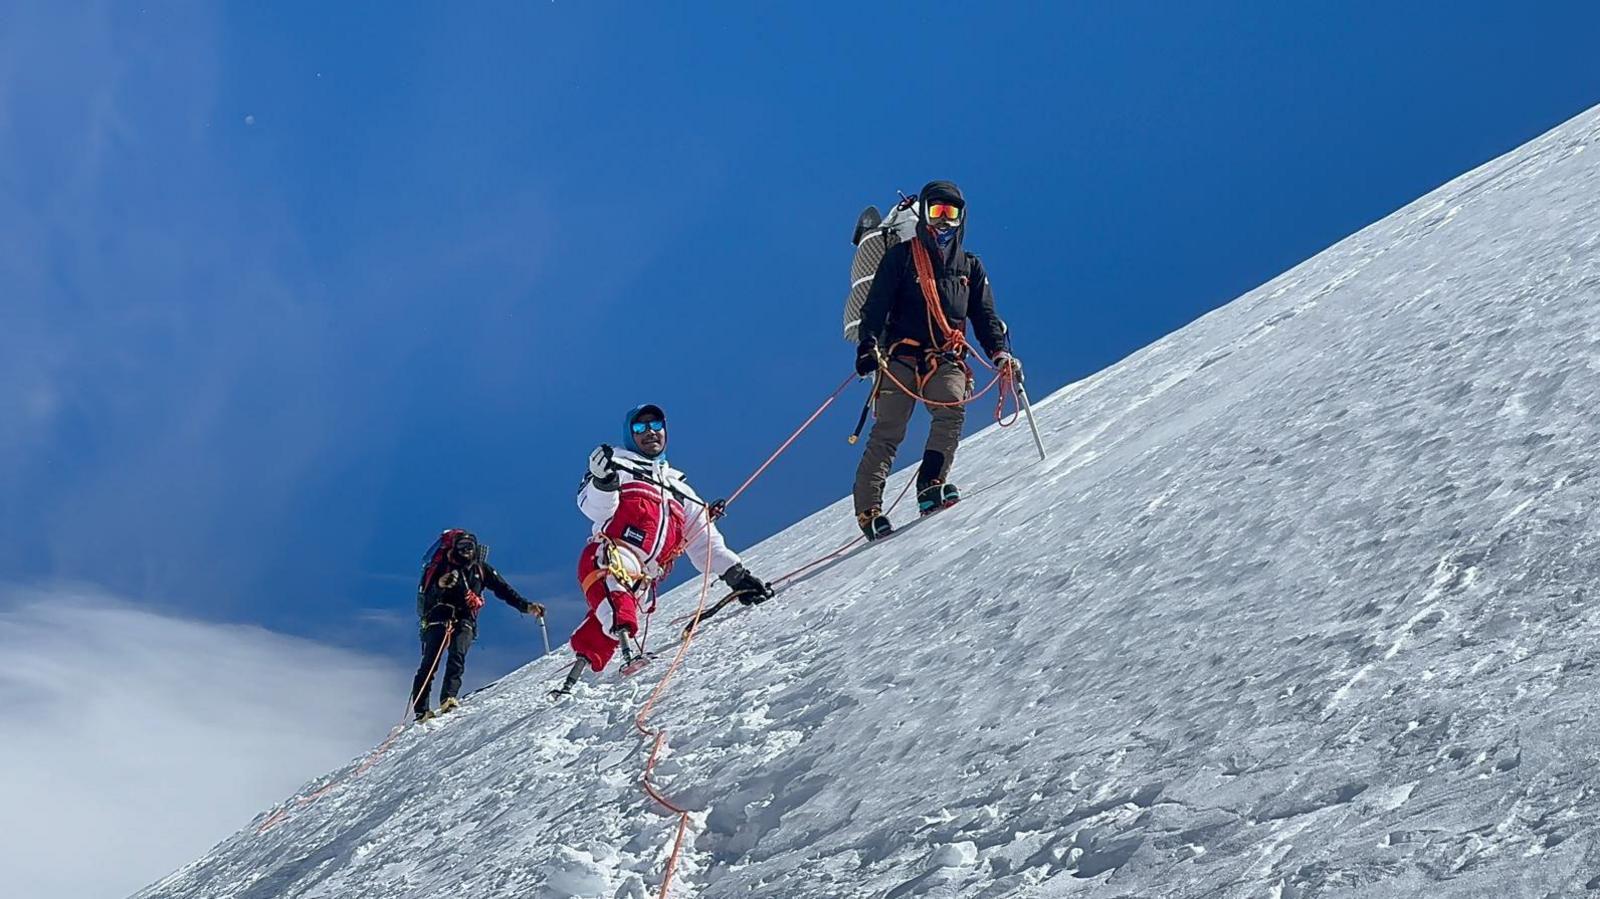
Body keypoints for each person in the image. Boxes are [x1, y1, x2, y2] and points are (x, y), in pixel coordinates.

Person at [555, 403, 773, 693]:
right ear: (629, 434)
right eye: (640, 428)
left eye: (656, 426)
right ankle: (628, 656)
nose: (650, 433)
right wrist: (604, 481)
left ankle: (580, 668)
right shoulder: (618, 466)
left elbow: (703, 538)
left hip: (646, 574)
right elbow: (592, 507)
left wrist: (735, 575)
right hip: (614, 553)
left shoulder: (680, 488)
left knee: (619, 613)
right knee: (616, 596)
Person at [851, 179, 1023, 539]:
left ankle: (931, 482)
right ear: (924, 214)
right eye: (936, 212)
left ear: (962, 218)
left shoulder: (969, 268)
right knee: (888, 430)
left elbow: (985, 316)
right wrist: (868, 343)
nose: (943, 222)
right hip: (901, 353)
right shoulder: (900, 258)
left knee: (951, 406)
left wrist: (1000, 352)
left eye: (951, 214)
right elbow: (876, 304)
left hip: (945, 355)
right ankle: (869, 509)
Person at [412, 529, 544, 721]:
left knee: (458, 654)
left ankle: (448, 697)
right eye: (462, 547)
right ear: (454, 548)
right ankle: (421, 710)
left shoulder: (481, 569)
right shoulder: (442, 567)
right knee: (430, 662)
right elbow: (429, 593)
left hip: (465, 618)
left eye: (470, 547)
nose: (466, 551)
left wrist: (526, 606)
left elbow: (503, 589)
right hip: (439, 615)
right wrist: (440, 584)